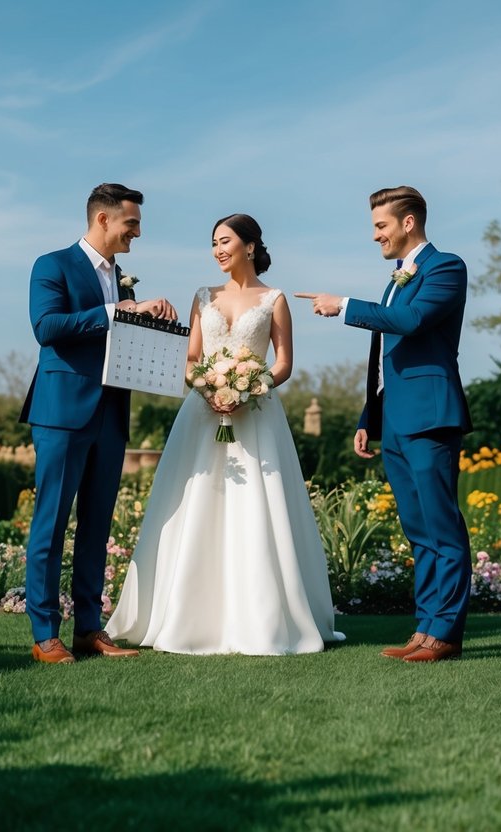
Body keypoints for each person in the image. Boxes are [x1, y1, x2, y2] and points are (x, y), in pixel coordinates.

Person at [106, 213, 344, 655]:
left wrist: (251, 388)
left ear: (249, 246)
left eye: (225, 241)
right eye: (213, 242)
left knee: (256, 506)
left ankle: (264, 617)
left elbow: (284, 363)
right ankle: (185, 616)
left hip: (257, 416)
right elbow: (191, 355)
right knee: (197, 507)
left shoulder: (273, 299)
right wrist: (209, 388)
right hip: (202, 414)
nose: (217, 250)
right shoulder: (202, 296)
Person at [296, 186, 473, 663]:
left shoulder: (445, 267)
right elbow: (386, 356)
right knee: (418, 529)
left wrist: (345, 306)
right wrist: (367, 417)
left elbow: (412, 321)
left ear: (408, 222)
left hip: (431, 416)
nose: (375, 236)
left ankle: (446, 635)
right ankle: (425, 628)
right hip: (394, 420)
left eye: (381, 226)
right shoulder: (395, 279)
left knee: (442, 527)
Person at [21, 183, 177, 664]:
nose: (137, 233)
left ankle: (90, 628)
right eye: (132, 224)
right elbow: (46, 328)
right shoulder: (52, 265)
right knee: (50, 524)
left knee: (96, 527)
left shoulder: (121, 277)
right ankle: (45, 633)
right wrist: (116, 311)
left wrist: (152, 322)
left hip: (112, 414)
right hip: (63, 412)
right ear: (103, 219)